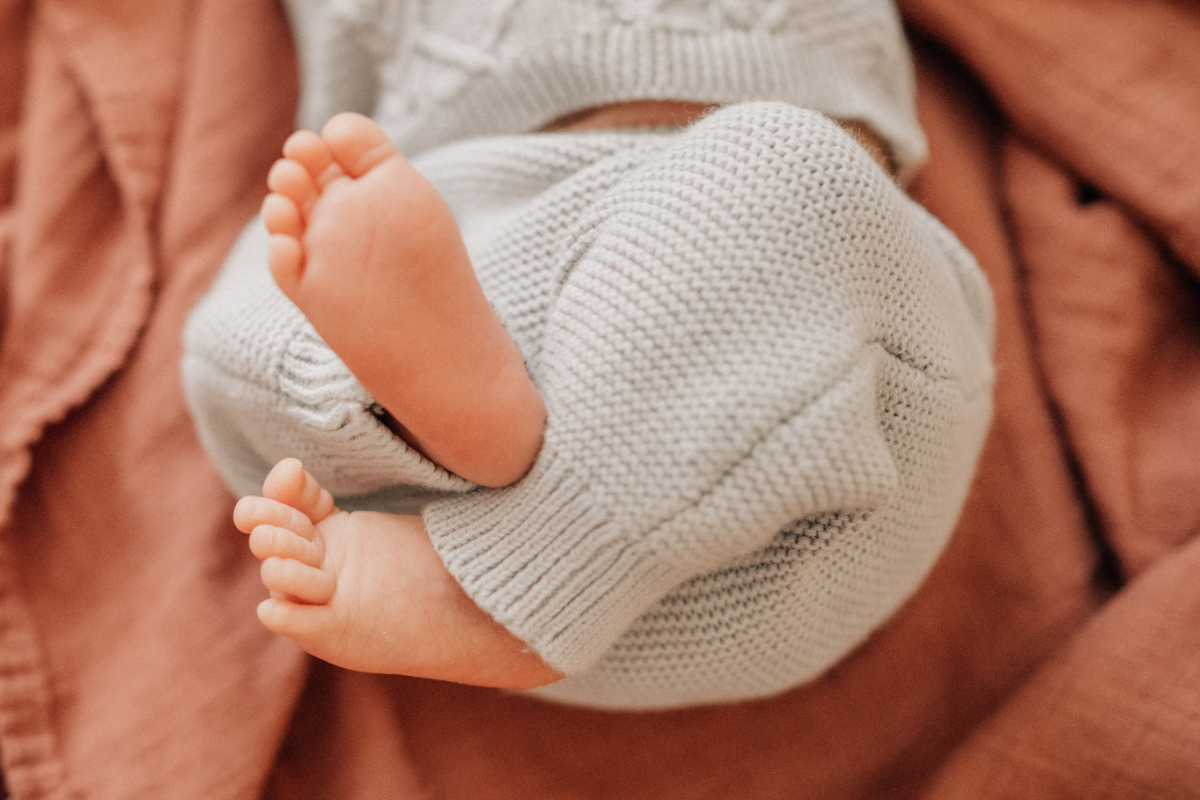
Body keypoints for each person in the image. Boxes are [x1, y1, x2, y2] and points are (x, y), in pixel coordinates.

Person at [182, 0, 995, 709]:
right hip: (483, 244)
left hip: (783, 409)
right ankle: (452, 418)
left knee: (792, 175)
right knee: (256, 304)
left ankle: (505, 565)